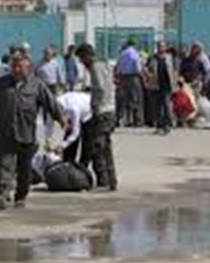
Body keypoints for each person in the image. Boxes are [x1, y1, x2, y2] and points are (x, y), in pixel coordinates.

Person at [0, 53, 65, 210]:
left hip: (26, 133)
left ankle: (21, 197)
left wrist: (61, 119)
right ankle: (2, 196)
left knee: (24, 169)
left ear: (29, 68)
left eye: (21, 67)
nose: (17, 69)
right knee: (4, 165)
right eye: (14, 66)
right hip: (5, 132)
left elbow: (51, 103)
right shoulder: (2, 83)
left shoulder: (37, 85)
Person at [76, 43, 118, 192]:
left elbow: (100, 87)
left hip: (102, 112)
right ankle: (110, 180)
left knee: (98, 147)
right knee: (105, 146)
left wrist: (95, 104)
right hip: (111, 109)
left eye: (81, 59)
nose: (81, 62)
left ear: (87, 56)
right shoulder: (105, 65)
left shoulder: (94, 67)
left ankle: (105, 180)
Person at [145, 42, 176, 135]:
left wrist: (175, 82)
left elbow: (174, 70)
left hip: (167, 85)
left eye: (162, 46)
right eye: (159, 46)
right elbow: (146, 68)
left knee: (167, 105)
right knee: (157, 107)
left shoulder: (169, 58)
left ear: (165, 47)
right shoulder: (152, 58)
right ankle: (159, 126)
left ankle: (167, 125)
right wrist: (148, 75)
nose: (160, 48)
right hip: (155, 85)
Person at [55, 92, 92, 163]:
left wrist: (62, 146)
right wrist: (48, 141)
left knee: (87, 143)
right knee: (69, 136)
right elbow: (48, 125)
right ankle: (68, 162)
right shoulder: (56, 102)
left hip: (89, 112)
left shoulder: (73, 109)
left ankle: (83, 166)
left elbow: (75, 133)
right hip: (76, 105)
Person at [116, 40, 144, 127]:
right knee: (136, 98)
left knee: (124, 99)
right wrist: (141, 75)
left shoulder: (122, 54)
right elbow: (137, 67)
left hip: (123, 77)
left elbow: (118, 67)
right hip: (133, 77)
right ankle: (137, 120)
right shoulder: (135, 53)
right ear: (134, 45)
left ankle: (122, 119)